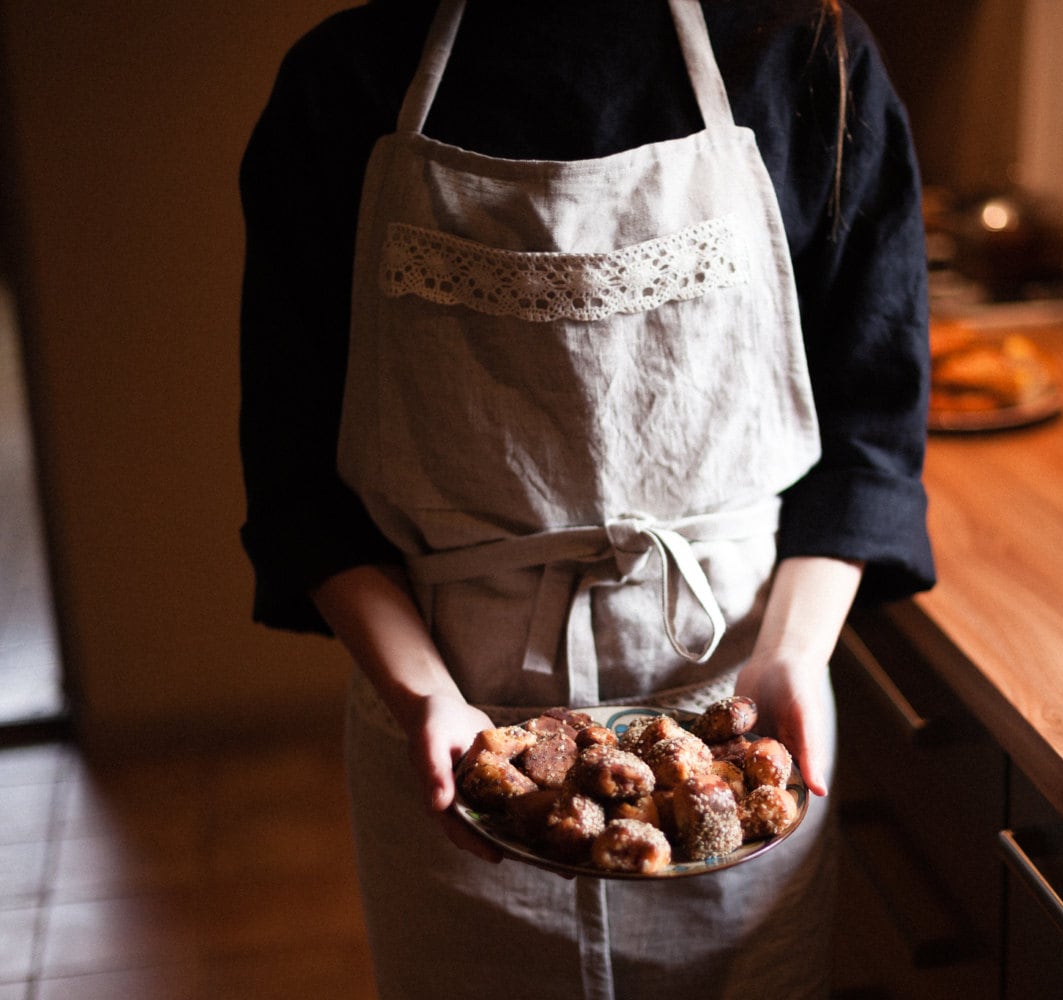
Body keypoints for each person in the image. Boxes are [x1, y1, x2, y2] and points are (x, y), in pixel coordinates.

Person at [238, 1, 934, 996]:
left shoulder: (806, 58)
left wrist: (793, 656)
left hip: (737, 710)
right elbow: (297, 482)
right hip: (453, 737)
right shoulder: (343, 83)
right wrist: (426, 697)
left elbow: (870, 441)